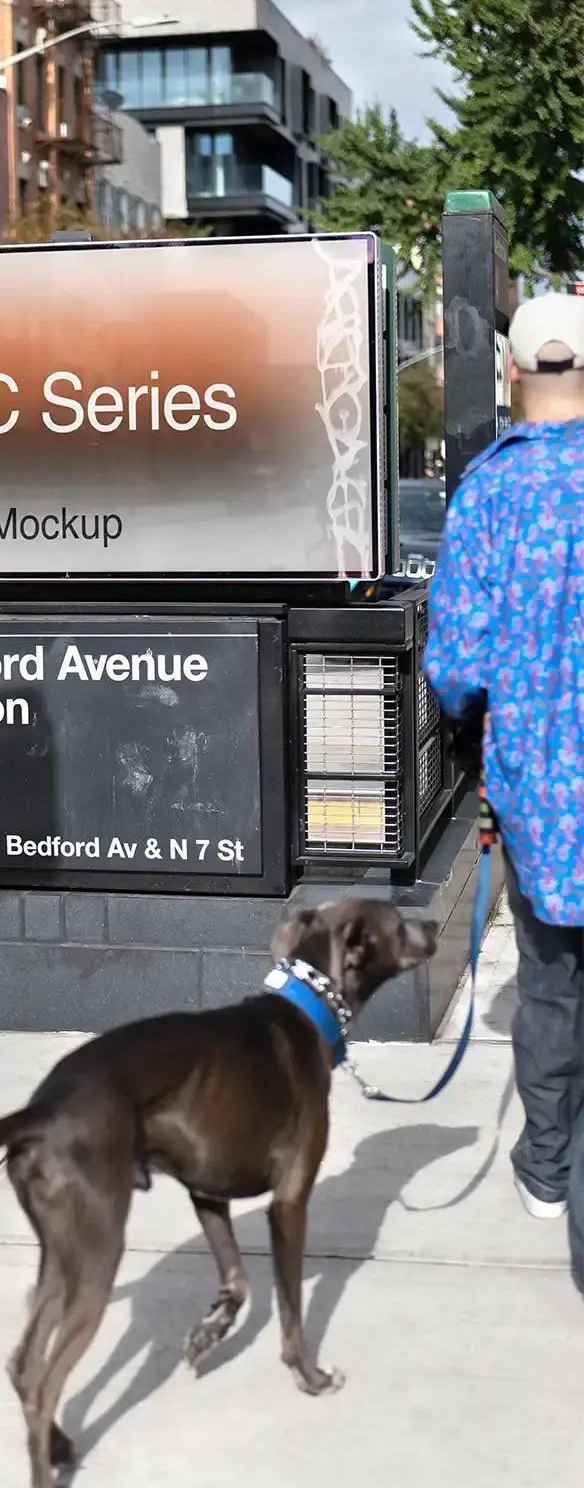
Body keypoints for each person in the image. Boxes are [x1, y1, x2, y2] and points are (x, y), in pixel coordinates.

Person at [424, 291, 584, 1294]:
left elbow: (457, 663)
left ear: (517, 375)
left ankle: (547, 1163)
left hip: (539, 787)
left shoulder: (489, 493)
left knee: (550, 975)